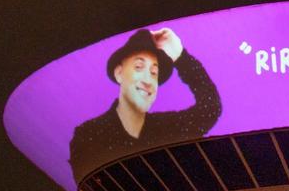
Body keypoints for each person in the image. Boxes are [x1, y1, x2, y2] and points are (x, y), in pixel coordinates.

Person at [69, 28, 221, 182]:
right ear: (119, 73)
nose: (148, 80)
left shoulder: (166, 128)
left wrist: (180, 56)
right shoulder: (89, 135)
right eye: (138, 67)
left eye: (154, 72)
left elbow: (210, 108)